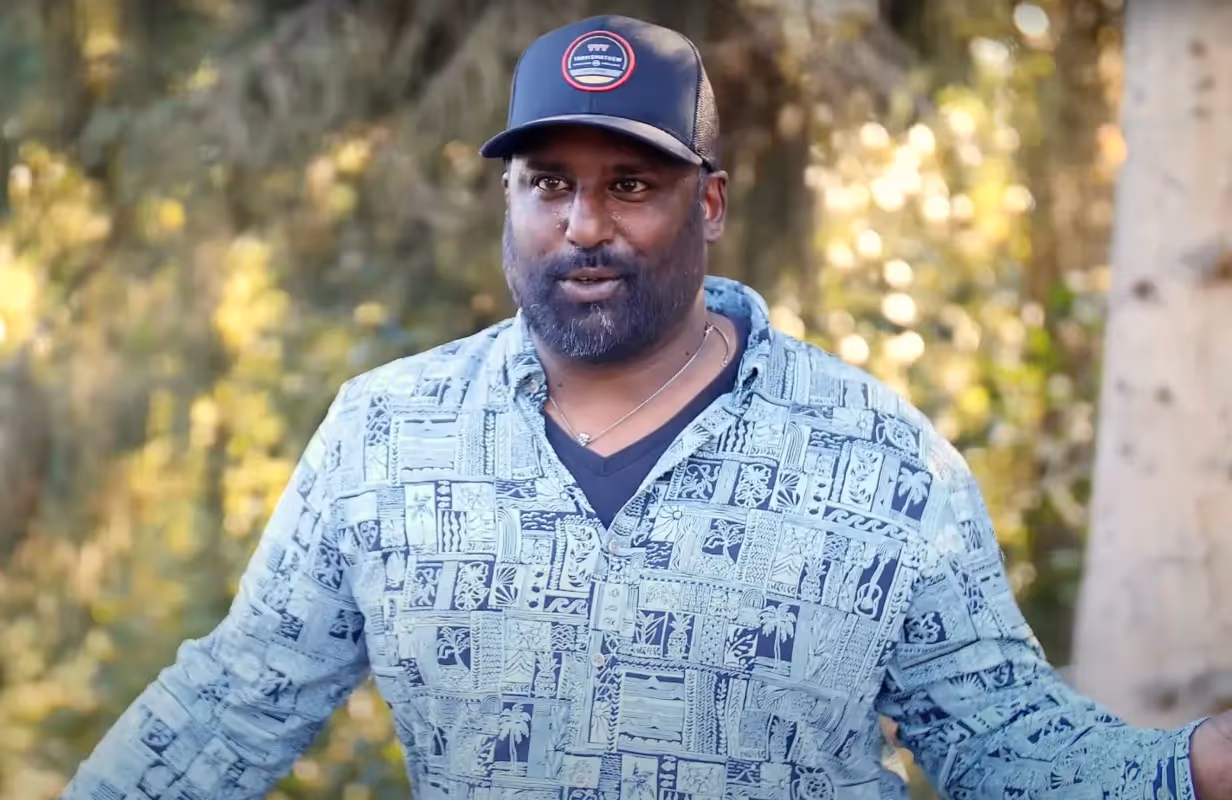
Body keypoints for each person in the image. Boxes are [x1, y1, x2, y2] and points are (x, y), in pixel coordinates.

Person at [62, 13, 1232, 800]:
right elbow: (229, 705)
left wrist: (1199, 762)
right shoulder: (388, 435)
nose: (584, 224)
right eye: (547, 185)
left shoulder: (876, 457)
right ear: (509, 201)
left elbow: (1001, 742)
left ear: (709, 201)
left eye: (630, 184)